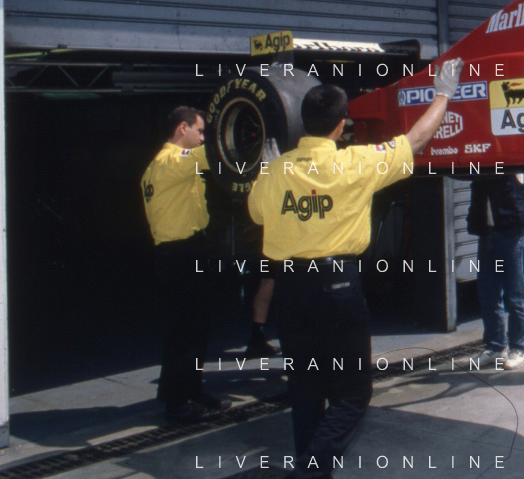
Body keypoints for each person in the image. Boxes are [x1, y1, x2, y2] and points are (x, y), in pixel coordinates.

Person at [247, 59, 462, 479]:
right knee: (352, 394)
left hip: (290, 290)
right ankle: (310, 471)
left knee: (306, 390)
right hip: (336, 287)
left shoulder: (276, 171)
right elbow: (416, 140)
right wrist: (443, 93)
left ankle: (311, 471)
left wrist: (264, 172)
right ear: (341, 125)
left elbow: (257, 214)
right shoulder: (358, 162)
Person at [140, 106, 230, 423]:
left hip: (182, 252)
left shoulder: (162, 165)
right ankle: (178, 405)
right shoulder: (173, 161)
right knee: (186, 331)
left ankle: (188, 391)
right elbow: (217, 155)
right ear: (182, 128)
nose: (202, 137)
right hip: (181, 254)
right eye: (199, 131)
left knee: (194, 328)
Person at [467, 173, 524, 370]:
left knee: (515, 295)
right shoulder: (479, 168)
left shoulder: (512, 165)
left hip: (511, 236)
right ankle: (495, 347)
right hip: (487, 235)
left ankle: (519, 349)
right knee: (488, 293)